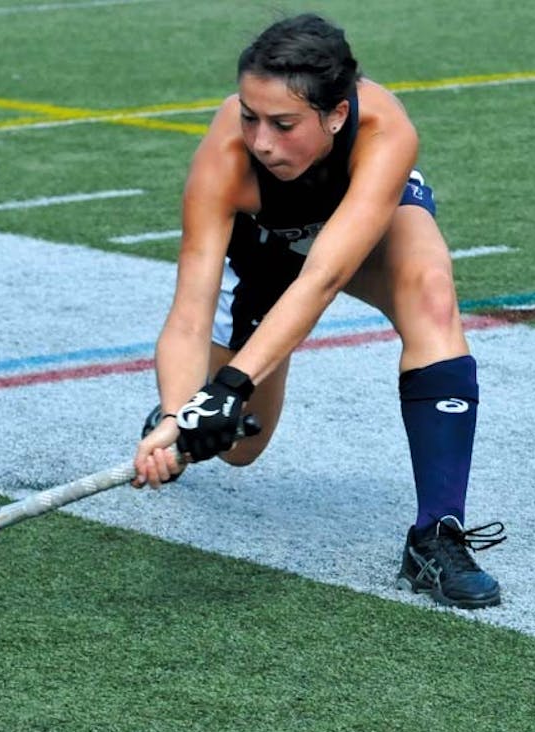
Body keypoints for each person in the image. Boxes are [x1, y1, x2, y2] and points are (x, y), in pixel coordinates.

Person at [131, 12, 505, 608]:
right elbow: (188, 313)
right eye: (249, 116)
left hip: (351, 239)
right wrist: (182, 413)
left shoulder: (384, 130)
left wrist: (229, 384)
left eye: (283, 124)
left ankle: (437, 533)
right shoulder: (225, 157)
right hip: (265, 254)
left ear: (335, 114)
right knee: (239, 449)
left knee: (431, 292)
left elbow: (325, 276)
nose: (260, 140)